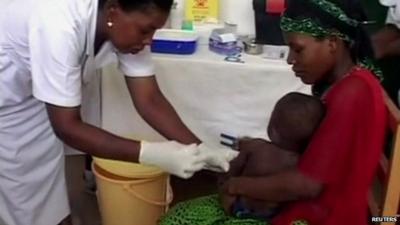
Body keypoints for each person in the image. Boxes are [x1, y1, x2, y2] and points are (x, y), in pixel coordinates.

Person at [0, 0, 237, 225]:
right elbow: (67, 126)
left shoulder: (125, 27)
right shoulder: (58, 24)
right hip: (8, 96)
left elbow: (149, 100)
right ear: (113, 10)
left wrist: (200, 148)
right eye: (146, 31)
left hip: (32, 87)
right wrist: (151, 153)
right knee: (26, 194)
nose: (149, 41)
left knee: (47, 197)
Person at [158, 0, 387, 224]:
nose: (290, 59)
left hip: (320, 217)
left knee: (180, 219)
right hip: (306, 206)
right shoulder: (343, 85)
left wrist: (235, 185)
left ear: (332, 43)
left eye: (298, 49)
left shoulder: (353, 92)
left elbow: (308, 184)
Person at [219, 92, 326, 220]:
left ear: (272, 129)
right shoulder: (303, 160)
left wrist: (225, 180)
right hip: (275, 215)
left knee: (225, 190)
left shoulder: (255, 147)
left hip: (242, 207)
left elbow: (234, 168)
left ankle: (229, 211)